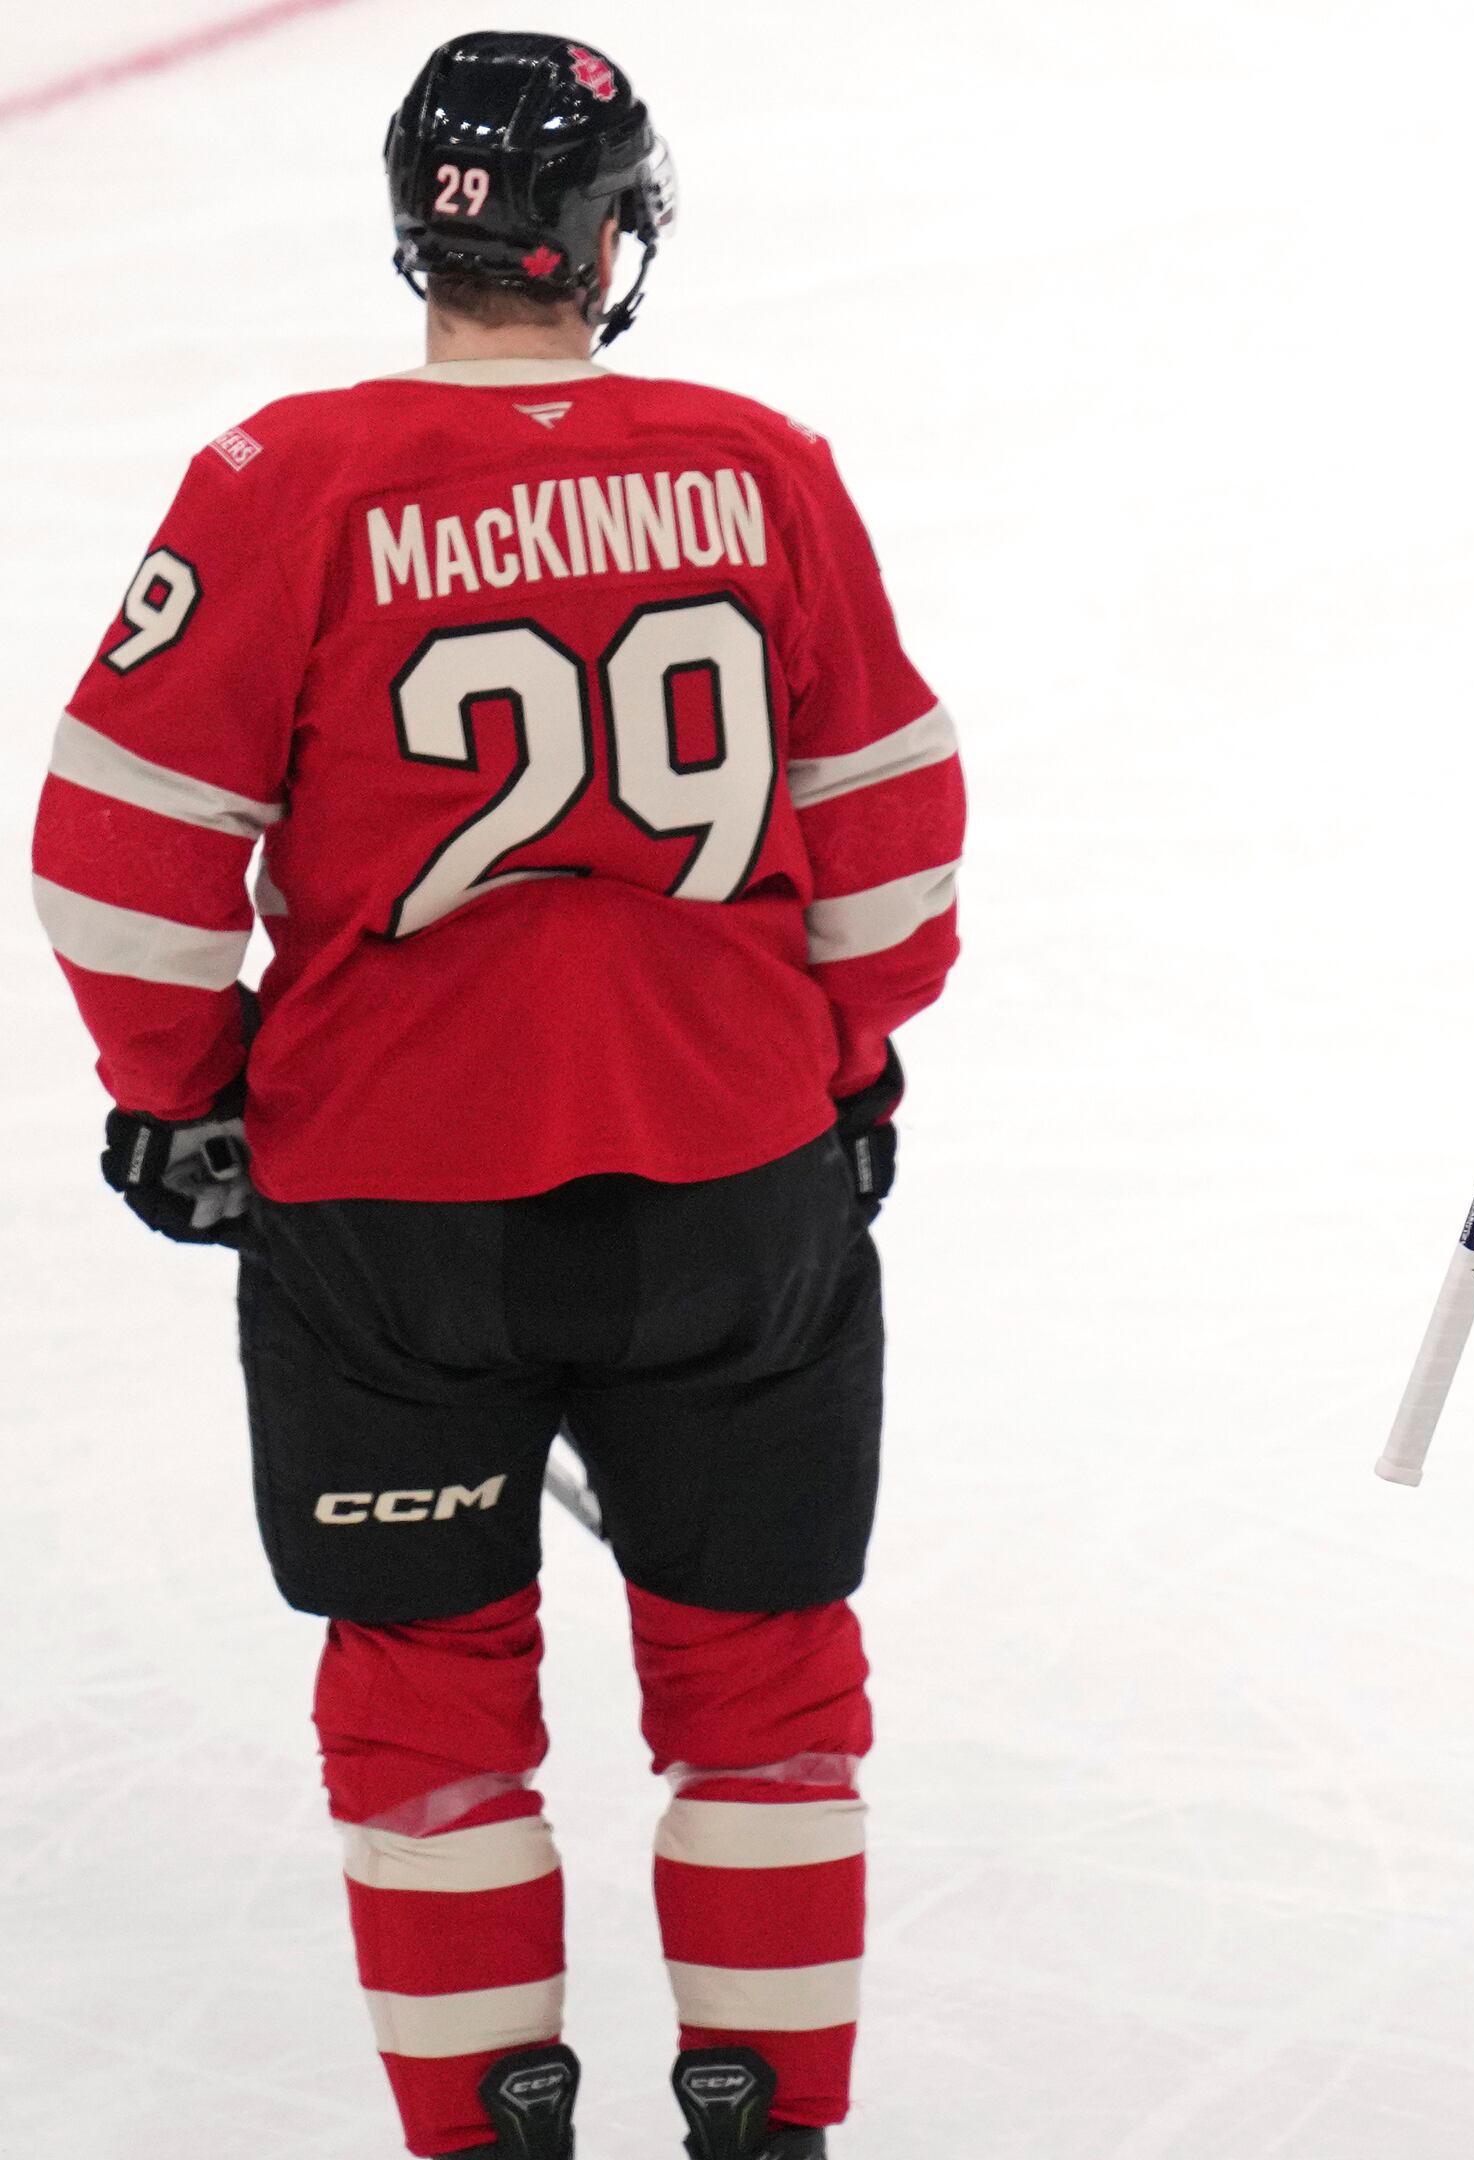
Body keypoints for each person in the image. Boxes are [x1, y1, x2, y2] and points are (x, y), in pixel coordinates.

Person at [30, 34, 963, 2160]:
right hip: (737, 1181)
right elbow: (895, 831)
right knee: (765, 1685)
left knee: (427, 1702)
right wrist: (843, 1054)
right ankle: (765, 2124)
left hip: (389, 1213)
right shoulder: (759, 465)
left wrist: (188, 1094)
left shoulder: (290, 478)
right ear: (606, 231)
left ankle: (482, 2132)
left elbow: (118, 842)